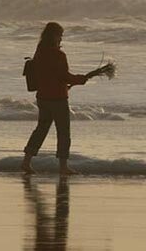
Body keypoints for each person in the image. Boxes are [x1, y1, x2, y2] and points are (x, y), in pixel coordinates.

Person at [21, 22, 93, 175]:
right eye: (60, 35)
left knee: (41, 129)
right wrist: (80, 79)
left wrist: (70, 82)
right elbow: (63, 76)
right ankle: (63, 166)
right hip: (57, 99)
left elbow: (49, 76)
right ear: (54, 36)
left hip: (43, 98)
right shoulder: (59, 55)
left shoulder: (39, 51)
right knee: (63, 132)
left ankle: (26, 161)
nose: (61, 39)